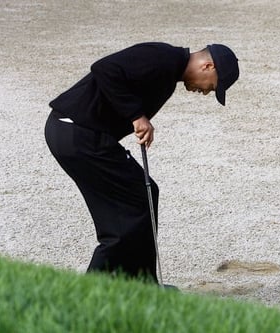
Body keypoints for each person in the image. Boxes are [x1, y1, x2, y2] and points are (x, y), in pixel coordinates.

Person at [44, 42, 239, 284]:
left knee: (143, 195)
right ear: (207, 65)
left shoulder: (169, 70)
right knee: (121, 227)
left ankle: (143, 285)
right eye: (213, 85)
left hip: (80, 135)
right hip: (77, 133)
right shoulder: (163, 58)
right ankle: (88, 299)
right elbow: (104, 69)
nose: (207, 91)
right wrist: (137, 116)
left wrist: (135, 115)